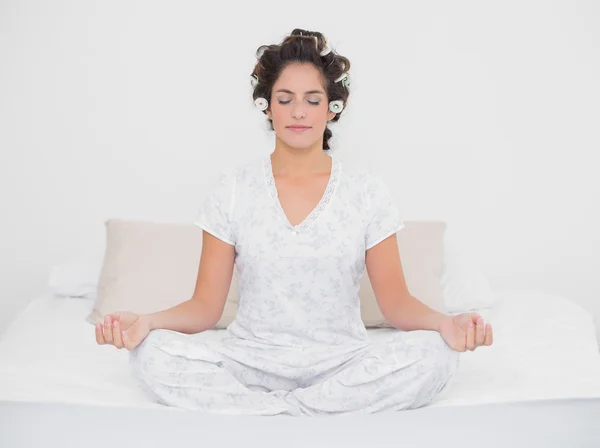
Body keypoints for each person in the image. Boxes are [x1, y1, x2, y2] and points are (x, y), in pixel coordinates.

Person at [95, 28, 493, 416]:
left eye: (312, 100)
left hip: (341, 366)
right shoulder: (233, 189)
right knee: (150, 352)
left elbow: (396, 303)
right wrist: (146, 321)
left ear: (332, 107)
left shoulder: (366, 190)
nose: (299, 112)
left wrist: (447, 323)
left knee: (436, 354)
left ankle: (276, 413)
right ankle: (307, 411)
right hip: (249, 365)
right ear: (267, 106)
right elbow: (205, 308)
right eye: (285, 100)